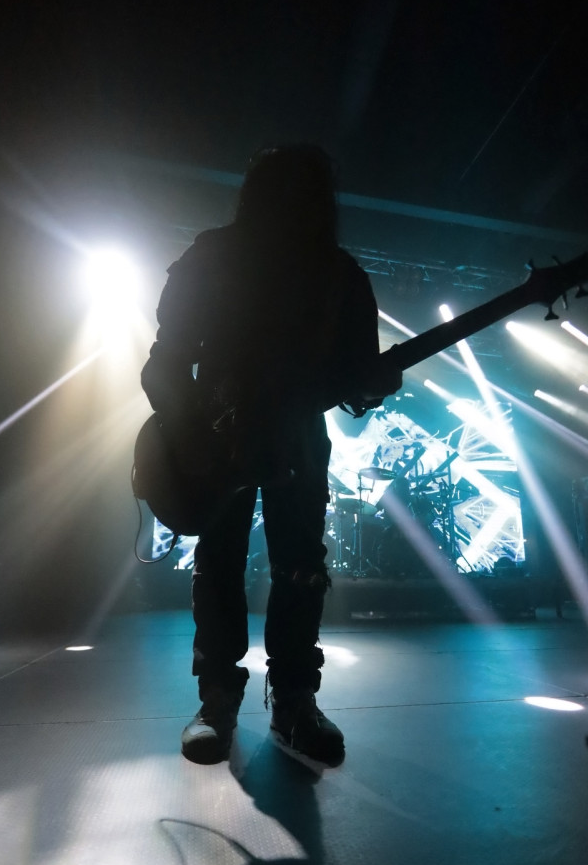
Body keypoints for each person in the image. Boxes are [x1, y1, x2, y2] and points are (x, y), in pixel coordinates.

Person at [141, 145, 402, 766]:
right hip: (217, 433)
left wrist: (374, 383)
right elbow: (165, 363)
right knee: (221, 561)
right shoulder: (214, 257)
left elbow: (356, 373)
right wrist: (195, 433)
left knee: (300, 566)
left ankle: (293, 703)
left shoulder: (339, 275)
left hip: (297, 438)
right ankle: (220, 701)